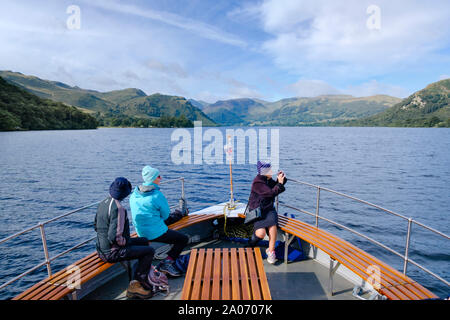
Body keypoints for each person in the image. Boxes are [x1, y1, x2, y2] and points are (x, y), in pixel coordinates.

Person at [94, 177, 167, 299]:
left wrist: (126, 241)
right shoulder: (119, 209)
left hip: (101, 249)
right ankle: (137, 284)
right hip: (111, 252)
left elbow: (96, 225)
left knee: (143, 241)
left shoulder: (103, 203)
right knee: (149, 251)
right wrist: (124, 242)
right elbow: (114, 237)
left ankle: (139, 275)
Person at [130, 165, 189, 277]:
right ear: (153, 179)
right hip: (155, 233)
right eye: (159, 176)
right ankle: (166, 264)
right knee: (183, 239)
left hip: (141, 231)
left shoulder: (134, 194)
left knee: (167, 221)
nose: (161, 178)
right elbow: (166, 215)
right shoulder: (157, 195)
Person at [246, 161, 287, 264]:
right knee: (261, 233)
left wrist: (280, 179)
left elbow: (274, 186)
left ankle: (271, 251)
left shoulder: (267, 179)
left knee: (272, 227)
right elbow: (271, 193)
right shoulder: (258, 182)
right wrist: (280, 183)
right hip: (258, 211)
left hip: (268, 210)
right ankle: (251, 243)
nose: (272, 171)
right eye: (269, 170)